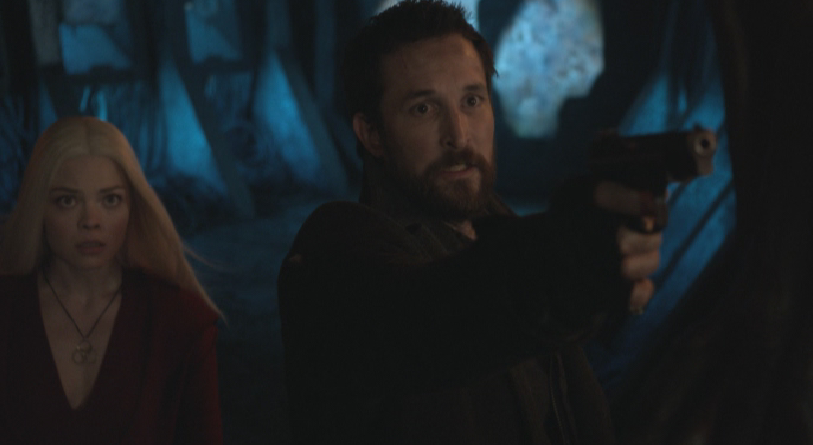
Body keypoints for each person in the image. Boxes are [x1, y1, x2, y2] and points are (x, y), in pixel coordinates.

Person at [278, 1, 661, 443]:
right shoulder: (333, 256)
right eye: (423, 109)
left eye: (472, 101)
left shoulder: (500, 226)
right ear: (372, 133)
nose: (459, 135)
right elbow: (429, 320)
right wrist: (556, 263)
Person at [0, 116, 223, 444]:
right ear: (39, 207)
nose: (91, 221)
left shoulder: (180, 320)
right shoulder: (7, 310)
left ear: (133, 206)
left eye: (110, 200)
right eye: (67, 200)